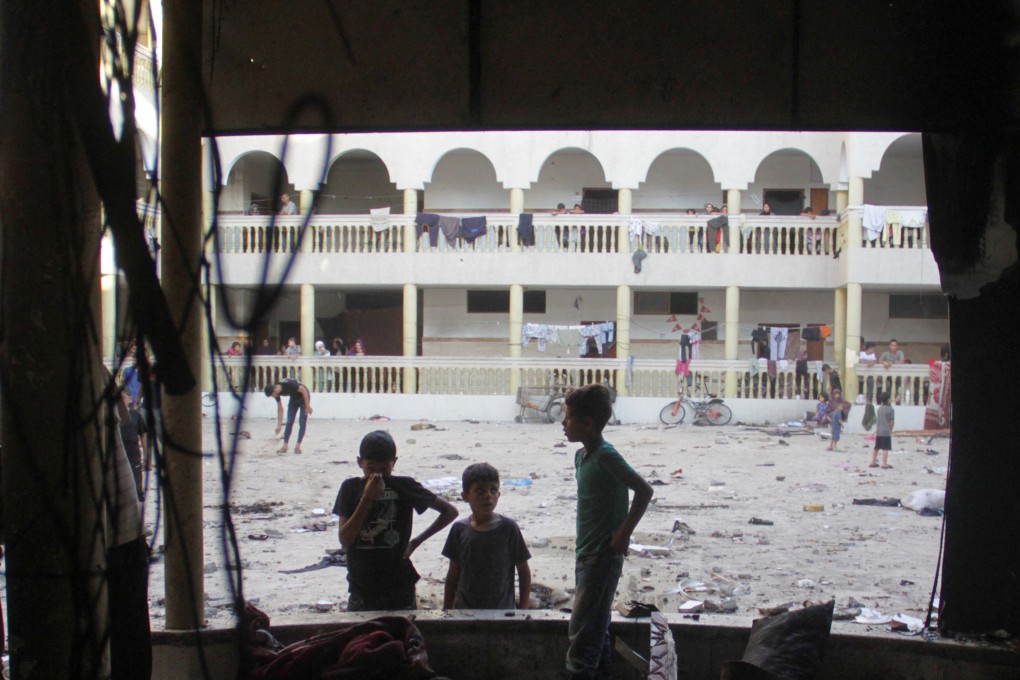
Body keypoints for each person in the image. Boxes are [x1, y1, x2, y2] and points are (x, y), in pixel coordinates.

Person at [561, 384, 653, 679]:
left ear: (587, 422)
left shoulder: (605, 455)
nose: (563, 423)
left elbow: (644, 490)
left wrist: (623, 534)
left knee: (581, 642)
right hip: (585, 554)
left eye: (569, 417)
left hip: (601, 557)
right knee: (596, 635)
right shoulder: (581, 457)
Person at [334, 430, 458, 611]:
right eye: (371, 468)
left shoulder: (404, 486)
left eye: (384, 469)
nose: (378, 475)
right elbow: (345, 540)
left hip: (399, 585)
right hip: (362, 586)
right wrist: (367, 498)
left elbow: (449, 511)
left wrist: (415, 542)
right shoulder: (350, 488)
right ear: (360, 462)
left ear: (394, 463)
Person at [442, 463, 532, 610]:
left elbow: (523, 571)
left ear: (499, 495)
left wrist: (523, 610)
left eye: (493, 490)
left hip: (503, 613)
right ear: (465, 496)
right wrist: (447, 610)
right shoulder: (459, 530)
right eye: (480, 491)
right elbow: (453, 573)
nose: (487, 496)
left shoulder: (509, 529)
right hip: (465, 612)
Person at [264, 378, 313, 454]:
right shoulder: (277, 392)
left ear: (274, 391)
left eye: (272, 395)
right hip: (294, 397)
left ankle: (297, 446)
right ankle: (285, 446)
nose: (273, 397)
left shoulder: (288, 384)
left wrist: (307, 405)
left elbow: (303, 390)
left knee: (302, 421)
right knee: (289, 421)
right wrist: (279, 425)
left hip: (304, 397)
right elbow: (280, 409)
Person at [118, 388, 147, 501]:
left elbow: (143, 435)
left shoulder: (135, 415)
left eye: (123, 398)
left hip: (133, 455)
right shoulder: (111, 416)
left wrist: (146, 456)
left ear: (130, 399)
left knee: (136, 488)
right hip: (119, 455)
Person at [870, 392, 895, 469]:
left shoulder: (879, 409)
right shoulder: (890, 409)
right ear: (888, 400)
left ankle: (873, 462)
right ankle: (884, 463)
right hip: (886, 431)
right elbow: (891, 421)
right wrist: (891, 429)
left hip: (879, 431)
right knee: (885, 448)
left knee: (876, 447)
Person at [825, 387, 851, 451]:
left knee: (833, 437)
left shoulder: (841, 402)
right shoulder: (832, 403)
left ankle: (830, 446)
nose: (837, 396)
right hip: (836, 427)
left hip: (833, 424)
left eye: (838, 394)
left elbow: (848, 405)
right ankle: (834, 447)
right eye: (835, 394)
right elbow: (838, 419)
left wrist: (831, 420)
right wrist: (842, 425)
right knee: (835, 438)